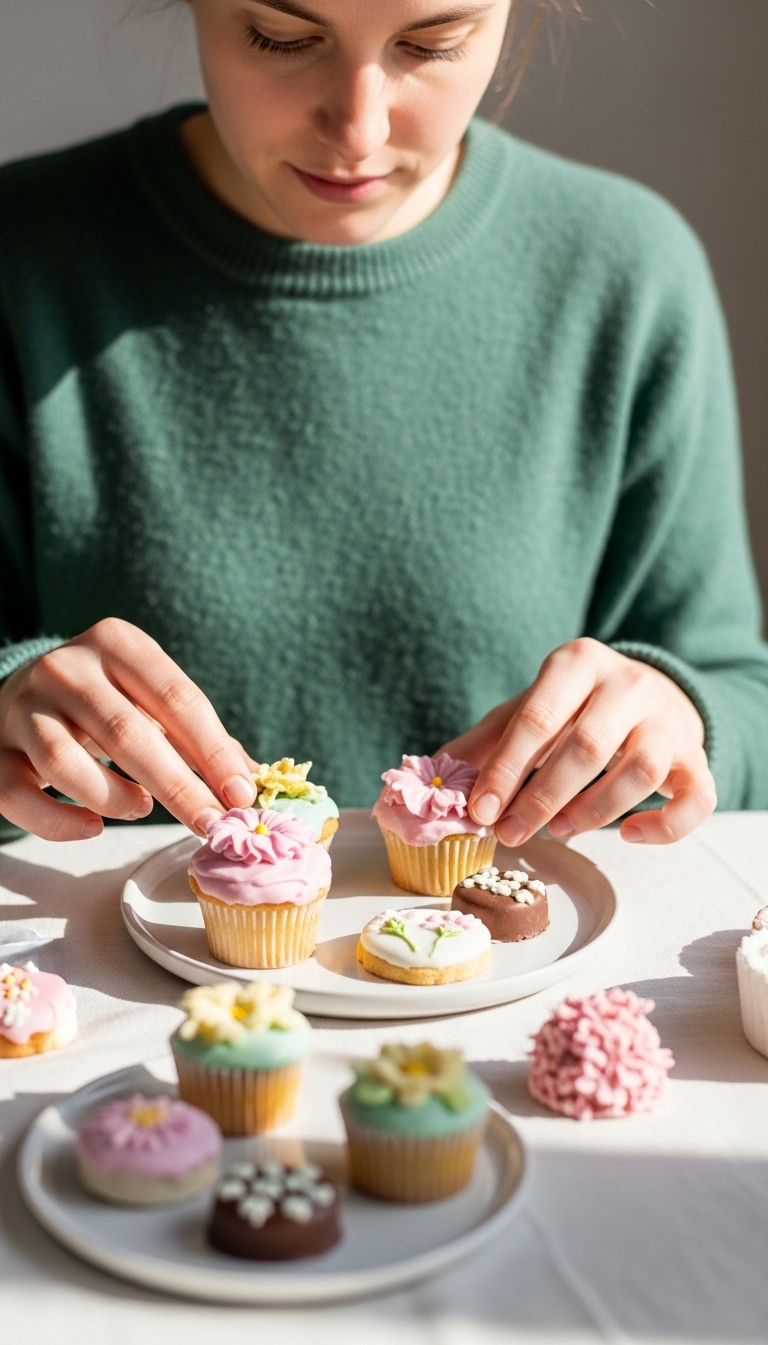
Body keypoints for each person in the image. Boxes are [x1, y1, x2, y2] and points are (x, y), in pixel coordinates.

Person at [0, 0, 765, 853]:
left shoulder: (626, 271)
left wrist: (681, 715)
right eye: (282, 38)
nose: (357, 132)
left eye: (433, 45)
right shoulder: (21, 259)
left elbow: (745, 701)